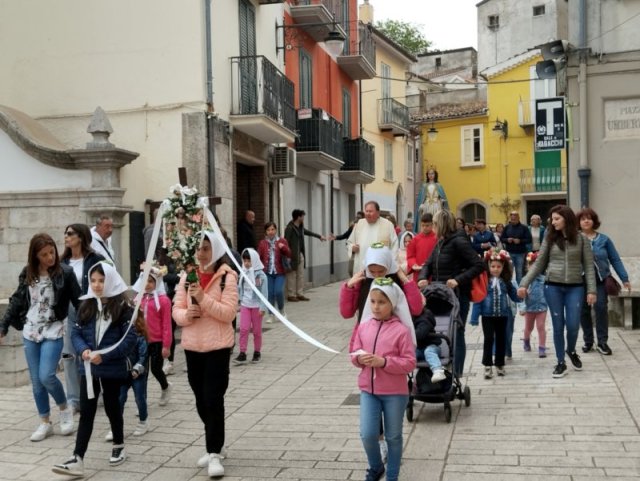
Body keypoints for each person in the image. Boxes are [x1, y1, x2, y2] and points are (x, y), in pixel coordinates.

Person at [52, 261, 138, 477]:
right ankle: (77, 457)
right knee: (87, 412)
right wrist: (83, 351)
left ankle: (118, 444)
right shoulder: (86, 306)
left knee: (112, 407)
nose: (97, 285)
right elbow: (76, 334)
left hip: (111, 369)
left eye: (101, 280)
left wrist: (105, 356)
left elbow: (128, 341)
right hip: (89, 370)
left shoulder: (123, 308)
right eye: (93, 280)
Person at [0, 233, 80, 442]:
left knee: (47, 376)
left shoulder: (66, 273)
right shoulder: (28, 273)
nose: (50, 257)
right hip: (30, 331)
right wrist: (3, 326)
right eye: (44, 254)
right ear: (35, 256)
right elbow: (17, 300)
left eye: (52, 252)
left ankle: (64, 410)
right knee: (36, 382)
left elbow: (79, 302)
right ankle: (45, 422)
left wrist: (87, 326)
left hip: (53, 330)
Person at [172, 230, 238, 478]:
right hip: (192, 346)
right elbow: (176, 309)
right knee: (200, 399)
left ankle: (213, 452)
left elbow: (229, 313)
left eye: (207, 248)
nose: (201, 253)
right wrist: (186, 316)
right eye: (199, 248)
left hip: (218, 347)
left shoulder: (226, 278)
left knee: (213, 398)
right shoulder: (187, 276)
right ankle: (216, 442)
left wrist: (202, 298)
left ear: (217, 250)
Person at [518, 205, 596, 379]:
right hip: (552, 287)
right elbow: (539, 263)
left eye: (556, 219)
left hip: (575, 287)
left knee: (574, 325)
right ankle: (561, 362)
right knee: (558, 325)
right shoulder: (550, 238)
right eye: (552, 219)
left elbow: (589, 267)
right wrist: (524, 283)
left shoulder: (582, 239)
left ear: (566, 219)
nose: (553, 223)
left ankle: (571, 350)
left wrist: (591, 290)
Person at [351, 278, 416, 481]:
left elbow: (409, 363)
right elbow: (353, 352)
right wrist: (359, 358)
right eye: (372, 301)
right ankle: (376, 466)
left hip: (395, 393)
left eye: (381, 302)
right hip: (368, 391)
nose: (376, 307)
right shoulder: (363, 327)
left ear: (393, 304)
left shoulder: (401, 331)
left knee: (393, 437)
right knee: (368, 434)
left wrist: (384, 362)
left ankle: (392, 476)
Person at [417, 209, 485, 377]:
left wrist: (458, 280)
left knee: (457, 331)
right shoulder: (441, 242)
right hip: (439, 295)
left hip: (458, 295)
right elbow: (428, 263)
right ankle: (438, 365)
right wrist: (423, 277)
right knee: (437, 329)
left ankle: (457, 372)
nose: (432, 227)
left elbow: (478, 265)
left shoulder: (459, 242)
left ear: (441, 224)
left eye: (434, 223)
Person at [60, 224, 105, 413]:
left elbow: (106, 279)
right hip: (68, 312)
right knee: (69, 355)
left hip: (89, 309)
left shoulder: (95, 259)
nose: (66, 237)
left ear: (81, 237)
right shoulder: (63, 262)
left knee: (90, 352)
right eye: (65, 233)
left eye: (70, 234)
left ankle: (95, 391)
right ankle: (73, 399)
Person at [577, 207, 631, 355]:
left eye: (589, 218)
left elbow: (615, 259)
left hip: (600, 280)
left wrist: (624, 278)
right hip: (580, 281)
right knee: (583, 310)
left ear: (594, 221)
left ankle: (602, 342)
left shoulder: (604, 239)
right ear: (579, 222)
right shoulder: (575, 239)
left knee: (601, 308)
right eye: (583, 219)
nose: (586, 221)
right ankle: (588, 341)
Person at [131, 264, 172, 406]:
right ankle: (142, 401)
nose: (147, 285)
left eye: (150, 281)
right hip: (141, 340)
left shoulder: (163, 301)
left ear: (157, 283)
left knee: (155, 369)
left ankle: (166, 387)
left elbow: (167, 324)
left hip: (157, 341)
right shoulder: (138, 299)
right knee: (142, 371)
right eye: (145, 281)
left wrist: (166, 345)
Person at [477, 249, 520, 379]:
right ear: (488, 266)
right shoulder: (484, 281)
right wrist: (474, 316)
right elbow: (478, 298)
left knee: (501, 339)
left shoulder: (506, 281)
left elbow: (514, 295)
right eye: (493, 266)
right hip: (487, 315)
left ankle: (500, 364)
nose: (495, 269)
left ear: (503, 267)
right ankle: (487, 365)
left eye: (499, 267)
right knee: (489, 339)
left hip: (503, 315)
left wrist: (521, 296)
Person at [106, 311, 149, 441]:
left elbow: (143, 356)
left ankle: (143, 421)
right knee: (119, 399)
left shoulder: (140, 336)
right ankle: (116, 426)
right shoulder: (118, 337)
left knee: (139, 398)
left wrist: (137, 370)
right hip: (122, 373)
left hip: (137, 374)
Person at [284, 209, 327, 302]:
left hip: (300, 254)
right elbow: (285, 242)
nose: (304, 218)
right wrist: (288, 255)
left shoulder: (300, 227)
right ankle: (291, 295)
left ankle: (300, 294)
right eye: (303, 216)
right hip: (292, 255)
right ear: (298, 217)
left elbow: (308, 232)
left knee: (300, 274)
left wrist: (319, 236)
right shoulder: (290, 228)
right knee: (292, 275)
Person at [234, 248, 269, 365]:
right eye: (245, 260)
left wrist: (263, 307)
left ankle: (257, 352)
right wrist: (239, 301)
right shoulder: (243, 272)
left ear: (254, 260)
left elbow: (264, 292)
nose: (247, 263)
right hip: (245, 304)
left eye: (249, 260)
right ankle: (242, 353)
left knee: (257, 331)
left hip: (256, 306)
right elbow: (240, 288)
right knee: (243, 329)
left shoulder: (261, 276)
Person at [347, 201, 398, 275]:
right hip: (361, 268)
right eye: (366, 211)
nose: (368, 213)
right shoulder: (360, 224)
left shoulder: (387, 225)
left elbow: (394, 245)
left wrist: (391, 264)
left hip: (380, 269)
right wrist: (352, 247)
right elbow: (349, 242)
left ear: (378, 213)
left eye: (370, 211)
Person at [257, 222, 291, 323]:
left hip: (280, 272)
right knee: (270, 293)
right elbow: (258, 257)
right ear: (266, 232)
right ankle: (271, 314)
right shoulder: (262, 243)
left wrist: (283, 247)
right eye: (268, 230)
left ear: (276, 230)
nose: (270, 232)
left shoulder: (282, 241)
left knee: (278, 291)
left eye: (272, 229)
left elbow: (289, 253)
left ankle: (281, 311)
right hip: (267, 272)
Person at [519, 251, 548, 358]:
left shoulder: (544, 280)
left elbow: (549, 294)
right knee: (528, 327)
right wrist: (522, 308)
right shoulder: (525, 281)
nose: (534, 267)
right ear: (528, 266)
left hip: (542, 308)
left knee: (541, 327)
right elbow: (520, 297)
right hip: (529, 308)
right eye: (531, 265)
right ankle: (526, 341)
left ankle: (542, 348)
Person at [413, 306, 446, 383]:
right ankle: (403, 370)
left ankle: (437, 370)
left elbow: (420, 334)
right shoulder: (410, 317)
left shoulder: (425, 318)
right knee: (411, 354)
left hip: (431, 346)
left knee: (429, 352)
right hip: (418, 348)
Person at [501, 211, 532, 283]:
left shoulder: (524, 228)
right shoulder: (507, 227)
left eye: (514, 219)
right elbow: (502, 238)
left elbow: (529, 239)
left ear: (518, 218)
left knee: (519, 272)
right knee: (509, 271)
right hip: (509, 252)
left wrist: (520, 241)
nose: (513, 220)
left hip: (520, 253)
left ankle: (519, 288)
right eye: (512, 219)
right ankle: (510, 287)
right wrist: (507, 240)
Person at [406, 213, 437, 282]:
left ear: (432, 225)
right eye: (423, 225)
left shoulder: (437, 238)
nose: (424, 228)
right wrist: (414, 264)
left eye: (427, 225)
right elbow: (410, 256)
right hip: (418, 272)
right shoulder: (415, 239)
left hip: (433, 273)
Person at [333, 211, 365, 277]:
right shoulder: (353, 227)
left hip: (362, 253)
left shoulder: (365, 228)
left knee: (361, 271)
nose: (357, 219)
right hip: (353, 252)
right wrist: (335, 237)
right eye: (356, 217)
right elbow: (345, 235)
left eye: (359, 218)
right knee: (350, 270)